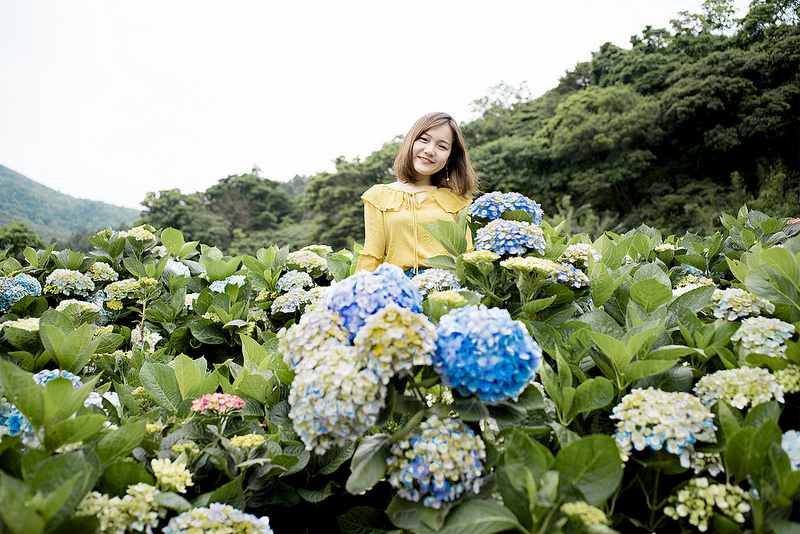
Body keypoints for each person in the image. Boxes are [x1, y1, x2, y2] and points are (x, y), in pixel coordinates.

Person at [356, 112, 478, 274]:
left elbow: (466, 256)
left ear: (449, 158)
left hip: (446, 289)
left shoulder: (458, 200)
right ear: (411, 142)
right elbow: (373, 255)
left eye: (442, 146)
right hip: (397, 290)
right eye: (424, 140)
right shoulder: (379, 196)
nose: (429, 150)